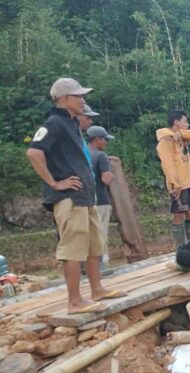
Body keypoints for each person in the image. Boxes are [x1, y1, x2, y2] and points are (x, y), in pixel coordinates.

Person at [26, 77, 126, 314]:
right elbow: (33, 153)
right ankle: (74, 301)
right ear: (64, 98)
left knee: (93, 246)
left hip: (85, 197)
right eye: (79, 96)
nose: (83, 101)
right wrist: (55, 183)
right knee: (73, 249)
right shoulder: (54, 124)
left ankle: (97, 289)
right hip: (69, 198)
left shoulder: (71, 124)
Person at [156, 109, 190, 247]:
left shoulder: (181, 136)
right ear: (176, 122)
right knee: (179, 214)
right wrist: (174, 183)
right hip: (178, 184)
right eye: (184, 121)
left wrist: (178, 133)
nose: (187, 124)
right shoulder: (165, 140)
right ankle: (180, 247)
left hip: (188, 182)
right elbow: (167, 164)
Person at [86, 126, 115, 273]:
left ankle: (88, 267)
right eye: (105, 140)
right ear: (97, 140)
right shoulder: (101, 156)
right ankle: (101, 266)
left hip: (86, 202)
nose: (106, 143)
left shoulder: (81, 154)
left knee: (88, 236)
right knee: (101, 235)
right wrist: (111, 171)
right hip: (101, 202)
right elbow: (106, 179)